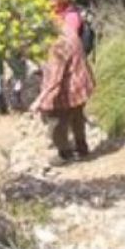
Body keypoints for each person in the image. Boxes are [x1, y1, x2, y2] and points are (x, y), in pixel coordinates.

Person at [31, 17, 95, 164]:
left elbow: (55, 78)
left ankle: (64, 153)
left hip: (68, 88)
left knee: (55, 121)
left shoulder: (57, 45)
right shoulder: (68, 30)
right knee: (77, 115)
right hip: (81, 83)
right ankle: (81, 147)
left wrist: (39, 100)